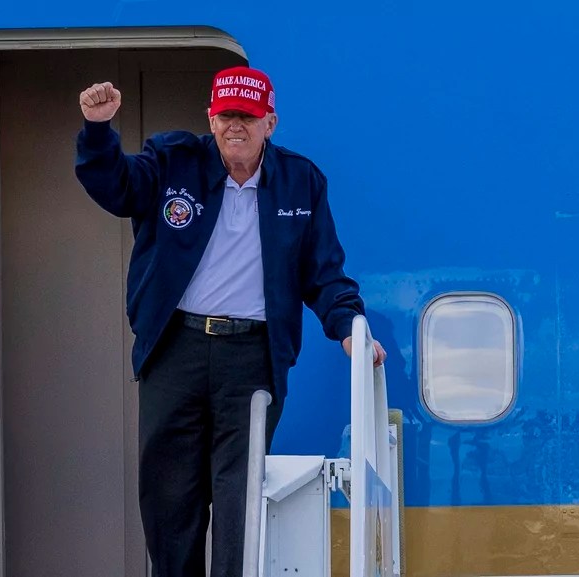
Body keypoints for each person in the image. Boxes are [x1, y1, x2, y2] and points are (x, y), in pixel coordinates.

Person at [74, 65, 385, 577]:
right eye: (225, 115)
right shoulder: (173, 159)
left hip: (252, 358)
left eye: (247, 115)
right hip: (176, 349)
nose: (234, 125)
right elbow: (119, 189)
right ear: (210, 118)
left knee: (241, 496)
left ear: (271, 122)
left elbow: (324, 273)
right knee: (169, 496)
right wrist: (99, 132)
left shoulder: (300, 182)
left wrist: (349, 328)